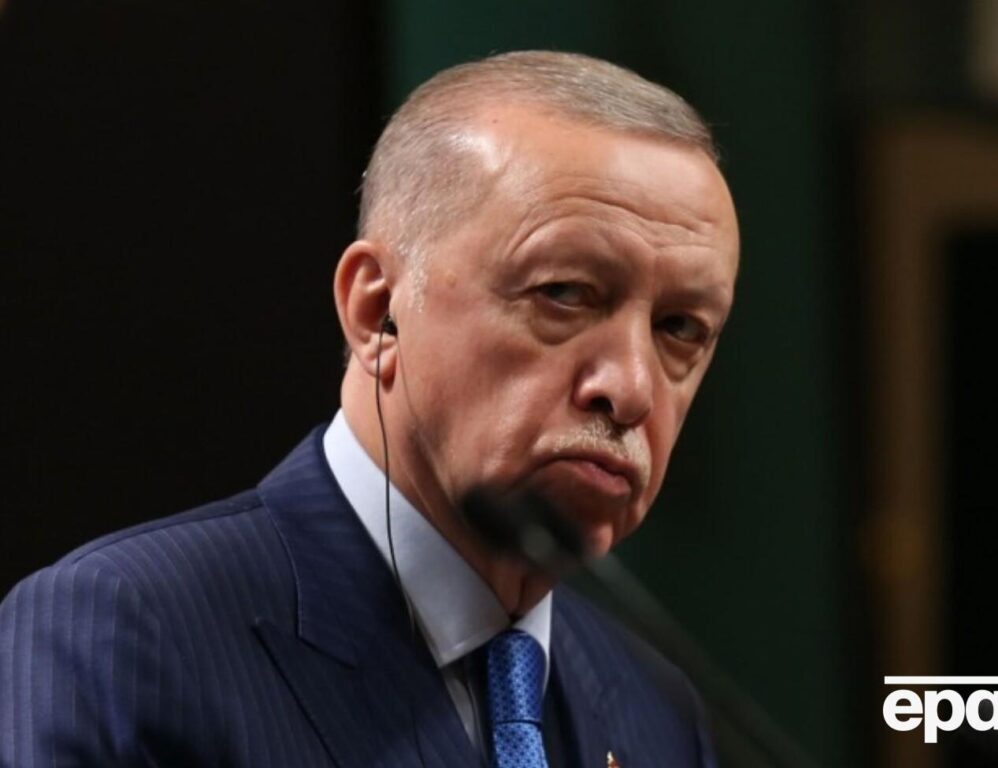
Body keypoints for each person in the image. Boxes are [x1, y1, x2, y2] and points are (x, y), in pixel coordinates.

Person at [0, 50, 739, 767]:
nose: (631, 388)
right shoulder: (121, 636)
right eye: (565, 294)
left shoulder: (657, 713)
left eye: (680, 328)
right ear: (377, 310)